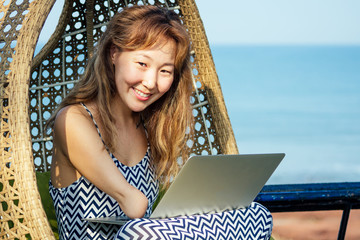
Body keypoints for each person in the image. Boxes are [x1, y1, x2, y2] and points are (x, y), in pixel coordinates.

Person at [48, 5, 273, 240]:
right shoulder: (73, 119)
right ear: (113, 53)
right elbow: (133, 204)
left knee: (257, 213)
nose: (150, 82)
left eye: (165, 71)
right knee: (140, 232)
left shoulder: (150, 127)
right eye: (142, 64)